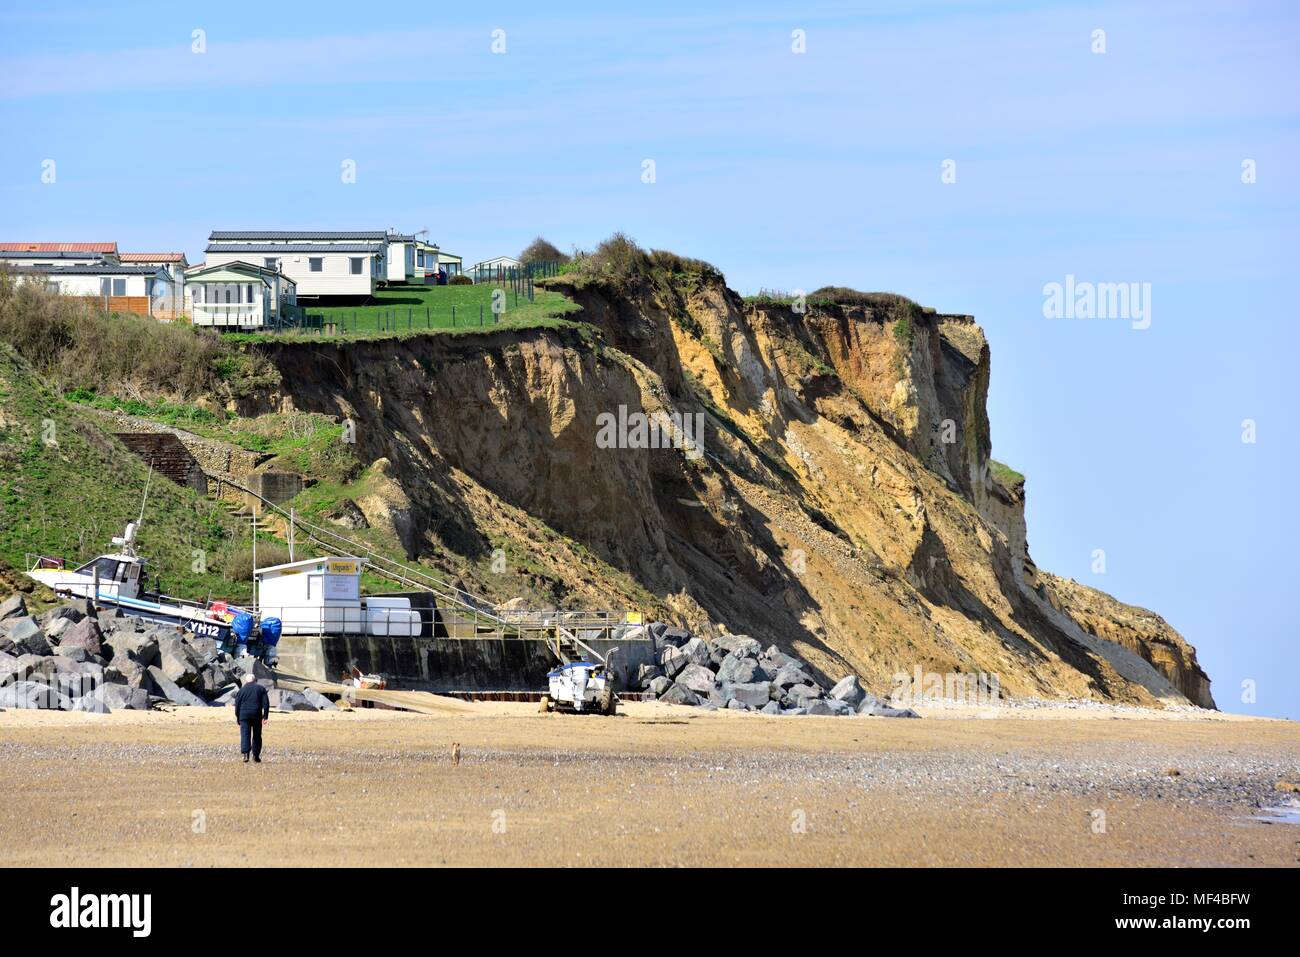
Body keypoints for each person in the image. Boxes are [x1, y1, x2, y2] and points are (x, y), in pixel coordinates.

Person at [232, 673, 270, 763]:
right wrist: (265, 716)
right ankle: (255, 756)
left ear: (246, 681)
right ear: (255, 680)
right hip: (256, 714)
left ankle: (246, 755)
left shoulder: (242, 690)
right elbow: (266, 704)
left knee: (245, 734)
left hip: (244, 715)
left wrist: (237, 717)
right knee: (257, 735)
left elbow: (237, 705)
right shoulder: (261, 689)